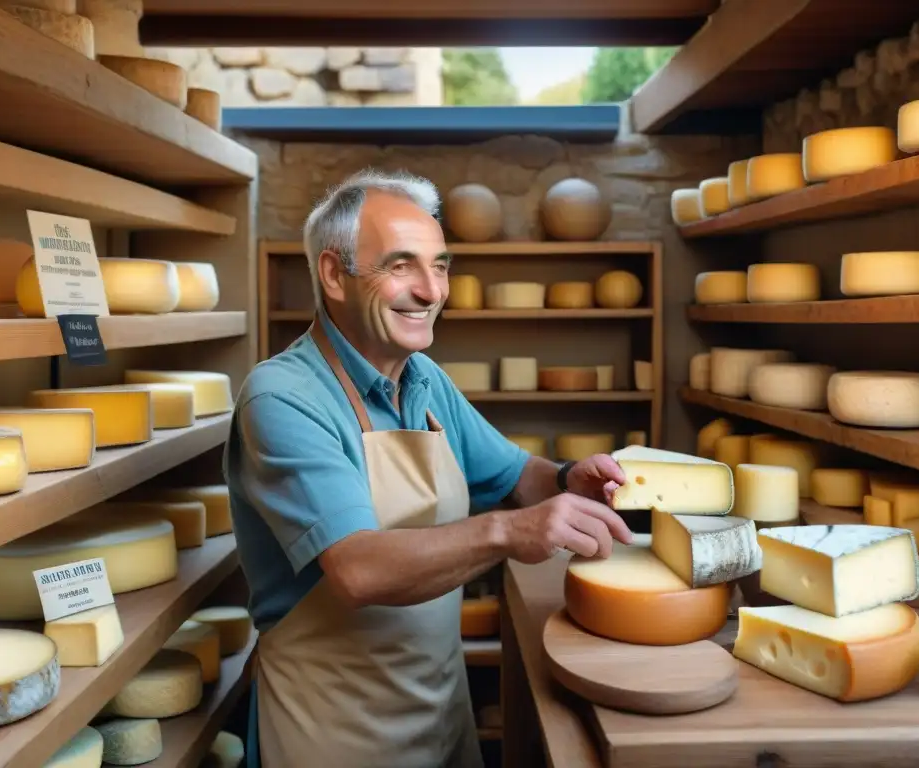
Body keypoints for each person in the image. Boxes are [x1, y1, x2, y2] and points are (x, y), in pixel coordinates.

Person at [224, 169, 634, 768]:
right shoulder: (282, 398)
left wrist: (571, 477)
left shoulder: (423, 380)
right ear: (334, 275)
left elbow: (518, 475)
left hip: (441, 714)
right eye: (400, 266)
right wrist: (508, 533)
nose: (431, 290)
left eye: (440, 266)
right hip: (334, 733)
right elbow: (358, 571)